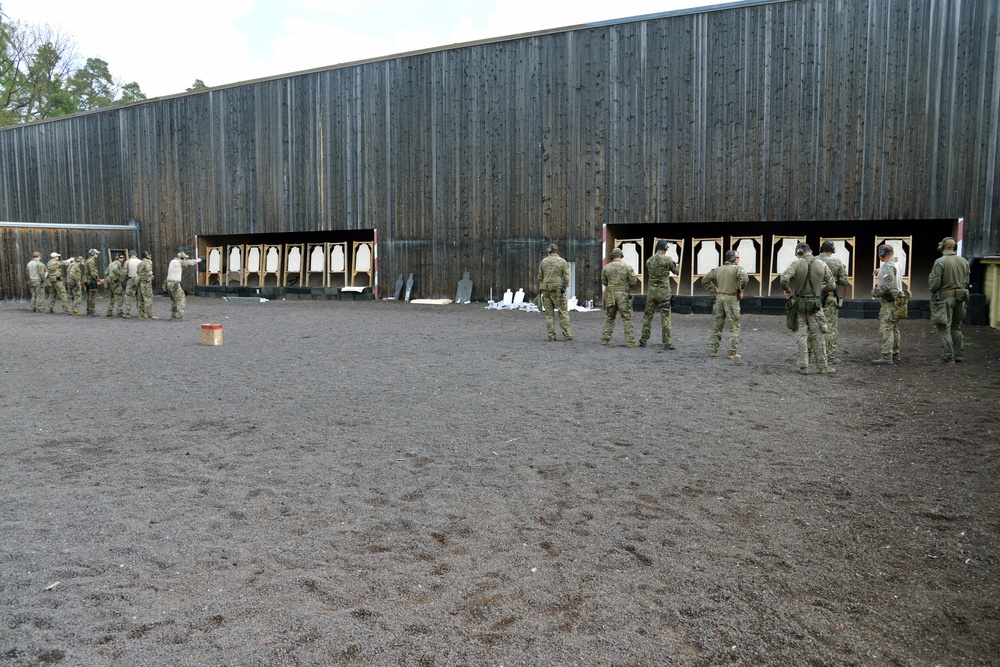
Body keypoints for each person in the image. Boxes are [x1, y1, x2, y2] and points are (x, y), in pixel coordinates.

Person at [781, 243, 836, 374]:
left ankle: (803, 366)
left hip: (799, 303)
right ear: (810, 251)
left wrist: (788, 291)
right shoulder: (822, 264)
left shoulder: (796, 264)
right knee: (818, 335)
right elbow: (832, 285)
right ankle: (823, 366)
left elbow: (784, 279)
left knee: (801, 335)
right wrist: (820, 291)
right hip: (815, 305)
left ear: (797, 253)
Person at [928, 237, 971, 365]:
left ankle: (948, 356)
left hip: (945, 299)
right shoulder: (964, 261)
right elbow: (967, 280)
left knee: (943, 327)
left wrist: (933, 290)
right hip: (961, 297)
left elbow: (935, 283)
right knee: (956, 327)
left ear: (943, 247)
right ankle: (958, 355)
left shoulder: (940, 262)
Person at [702, 249, 748, 359]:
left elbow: (705, 280)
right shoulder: (738, 269)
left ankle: (714, 350)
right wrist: (741, 290)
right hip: (731, 298)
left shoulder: (718, 269)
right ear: (732, 258)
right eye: (737, 257)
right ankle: (732, 352)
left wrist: (714, 290)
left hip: (719, 298)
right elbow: (745, 278)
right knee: (734, 326)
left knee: (717, 325)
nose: (739, 259)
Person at [815, 240, 849, 365]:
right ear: (833, 250)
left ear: (820, 249)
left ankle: (812, 353)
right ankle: (830, 356)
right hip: (830, 298)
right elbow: (844, 281)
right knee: (831, 328)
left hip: (814, 297)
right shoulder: (837, 262)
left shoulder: (813, 261)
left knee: (813, 326)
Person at [640, 240, 678, 350]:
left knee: (648, 317)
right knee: (665, 317)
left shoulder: (649, 261)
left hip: (651, 292)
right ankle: (667, 343)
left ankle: (643, 340)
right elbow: (676, 272)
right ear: (665, 249)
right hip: (664, 293)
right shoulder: (668, 260)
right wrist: (677, 266)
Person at [601, 247, 638, 347]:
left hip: (610, 296)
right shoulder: (627, 267)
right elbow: (633, 282)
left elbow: (604, 282)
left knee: (610, 318)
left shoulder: (606, 268)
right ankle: (630, 342)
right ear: (621, 255)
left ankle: (605, 340)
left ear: (612, 256)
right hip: (623, 296)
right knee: (627, 318)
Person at [871, 244, 902, 365]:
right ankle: (895, 353)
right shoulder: (896, 264)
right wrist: (881, 270)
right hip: (898, 301)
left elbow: (886, 286)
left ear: (882, 254)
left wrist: (875, 292)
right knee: (894, 328)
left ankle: (886, 356)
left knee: (886, 328)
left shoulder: (888, 267)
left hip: (889, 302)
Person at [537, 243, 572, 341]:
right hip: (558, 290)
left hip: (546, 289)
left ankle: (551, 336)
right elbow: (566, 277)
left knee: (549, 314)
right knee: (563, 312)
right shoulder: (562, 262)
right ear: (557, 251)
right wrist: (565, 286)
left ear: (548, 251)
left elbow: (540, 277)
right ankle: (567, 335)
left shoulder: (543, 262)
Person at [165, 251, 203, 320]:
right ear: (182, 258)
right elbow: (189, 262)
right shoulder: (178, 262)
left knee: (175, 300)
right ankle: (179, 317)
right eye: (184, 258)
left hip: (168, 283)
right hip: (174, 284)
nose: (185, 259)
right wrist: (197, 260)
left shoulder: (173, 261)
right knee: (181, 299)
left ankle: (173, 315)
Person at [137, 251, 157, 319]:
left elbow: (138, 272)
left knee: (141, 299)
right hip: (146, 282)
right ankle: (149, 314)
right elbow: (149, 270)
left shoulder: (140, 263)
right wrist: (150, 276)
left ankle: (141, 314)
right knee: (148, 298)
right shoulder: (147, 262)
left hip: (140, 281)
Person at [105, 252, 126, 317]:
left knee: (111, 297)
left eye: (122, 257)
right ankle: (119, 312)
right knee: (120, 297)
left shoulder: (111, 264)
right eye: (121, 257)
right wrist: (121, 274)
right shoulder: (118, 263)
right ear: (118, 258)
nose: (122, 259)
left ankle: (109, 311)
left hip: (110, 282)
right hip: (115, 282)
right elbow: (114, 269)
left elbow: (106, 272)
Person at [83, 249, 104, 316]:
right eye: (96, 253)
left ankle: (89, 310)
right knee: (92, 296)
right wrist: (98, 279)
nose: (97, 255)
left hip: (89, 280)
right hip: (92, 281)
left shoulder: (88, 261)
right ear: (93, 254)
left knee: (89, 295)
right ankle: (92, 311)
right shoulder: (91, 261)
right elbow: (92, 273)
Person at [122, 250, 141, 318]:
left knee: (129, 297)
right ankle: (141, 313)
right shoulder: (140, 261)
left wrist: (123, 280)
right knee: (139, 297)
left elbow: (124, 272)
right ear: (136, 255)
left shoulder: (128, 261)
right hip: (139, 280)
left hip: (131, 279)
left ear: (130, 255)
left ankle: (127, 313)